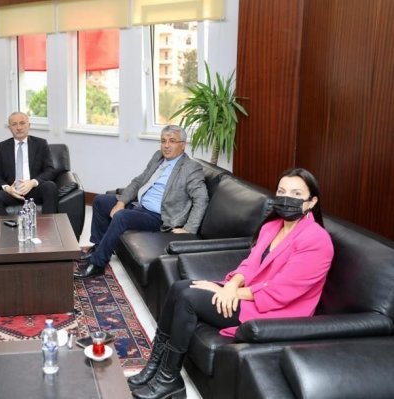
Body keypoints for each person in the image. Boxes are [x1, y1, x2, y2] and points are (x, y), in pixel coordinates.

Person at [128, 168, 335, 399]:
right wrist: (230, 285)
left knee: (188, 298)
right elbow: (250, 265)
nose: (287, 198)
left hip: (275, 310)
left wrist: (233, 294)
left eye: (296, 194)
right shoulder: (272, 226)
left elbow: (281, 291)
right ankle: (154, 366)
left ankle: (169, 379)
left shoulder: (317, 240)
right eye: (282, 191)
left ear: (311, 202)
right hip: (250, 294)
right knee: (179, 288)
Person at [74, 125, 209, 279]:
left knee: (121, 217)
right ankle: (99, 246)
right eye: (163, 141)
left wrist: (189, 229)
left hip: (158, 217)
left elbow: (201, 198)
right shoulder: (158, 157)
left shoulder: (191, 168)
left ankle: (97, 264)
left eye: (172, 141)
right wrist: (121, 202)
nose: (166, 145)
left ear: (183, 145)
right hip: (139, 205)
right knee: (100, 201)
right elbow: (139, 181)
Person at [0, 111, 58, 215]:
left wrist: (32, 183)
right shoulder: (2, 147)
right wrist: (8, 188)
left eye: (22, 123)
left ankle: (47, 224)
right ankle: (8, 225)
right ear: (9, 128)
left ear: (29, 125)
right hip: (12, 193)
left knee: (50, 186)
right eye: (14, 124)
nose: (18, 127)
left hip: (34, 190)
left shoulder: (41, 144)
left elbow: (50, 170)